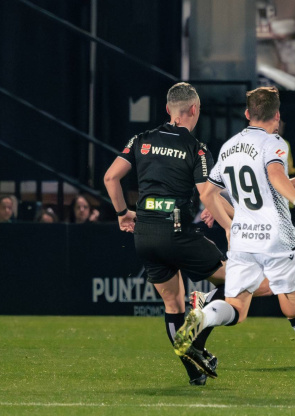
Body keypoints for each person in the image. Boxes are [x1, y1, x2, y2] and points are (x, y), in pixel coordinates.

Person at [174, 86, 295, 396]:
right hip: (276, 236)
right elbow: (276, 177)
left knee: (237, 307)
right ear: (277, 116)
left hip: (243, 240)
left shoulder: (229, 147)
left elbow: (208, 194)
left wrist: (229, 226)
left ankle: (204, 315)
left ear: (247, 114)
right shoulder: (273, 142)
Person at [104, 82, 244, 386]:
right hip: (178, 232)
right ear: (194, 109)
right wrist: (230, 227)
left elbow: (110, 177)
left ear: (169, 109)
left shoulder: (141, 140)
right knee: (236, 280)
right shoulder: (196, 148)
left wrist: (121, 214)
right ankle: (201, 318)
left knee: (172, 306)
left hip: (144, 235)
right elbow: (207, 194)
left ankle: (195, 373)